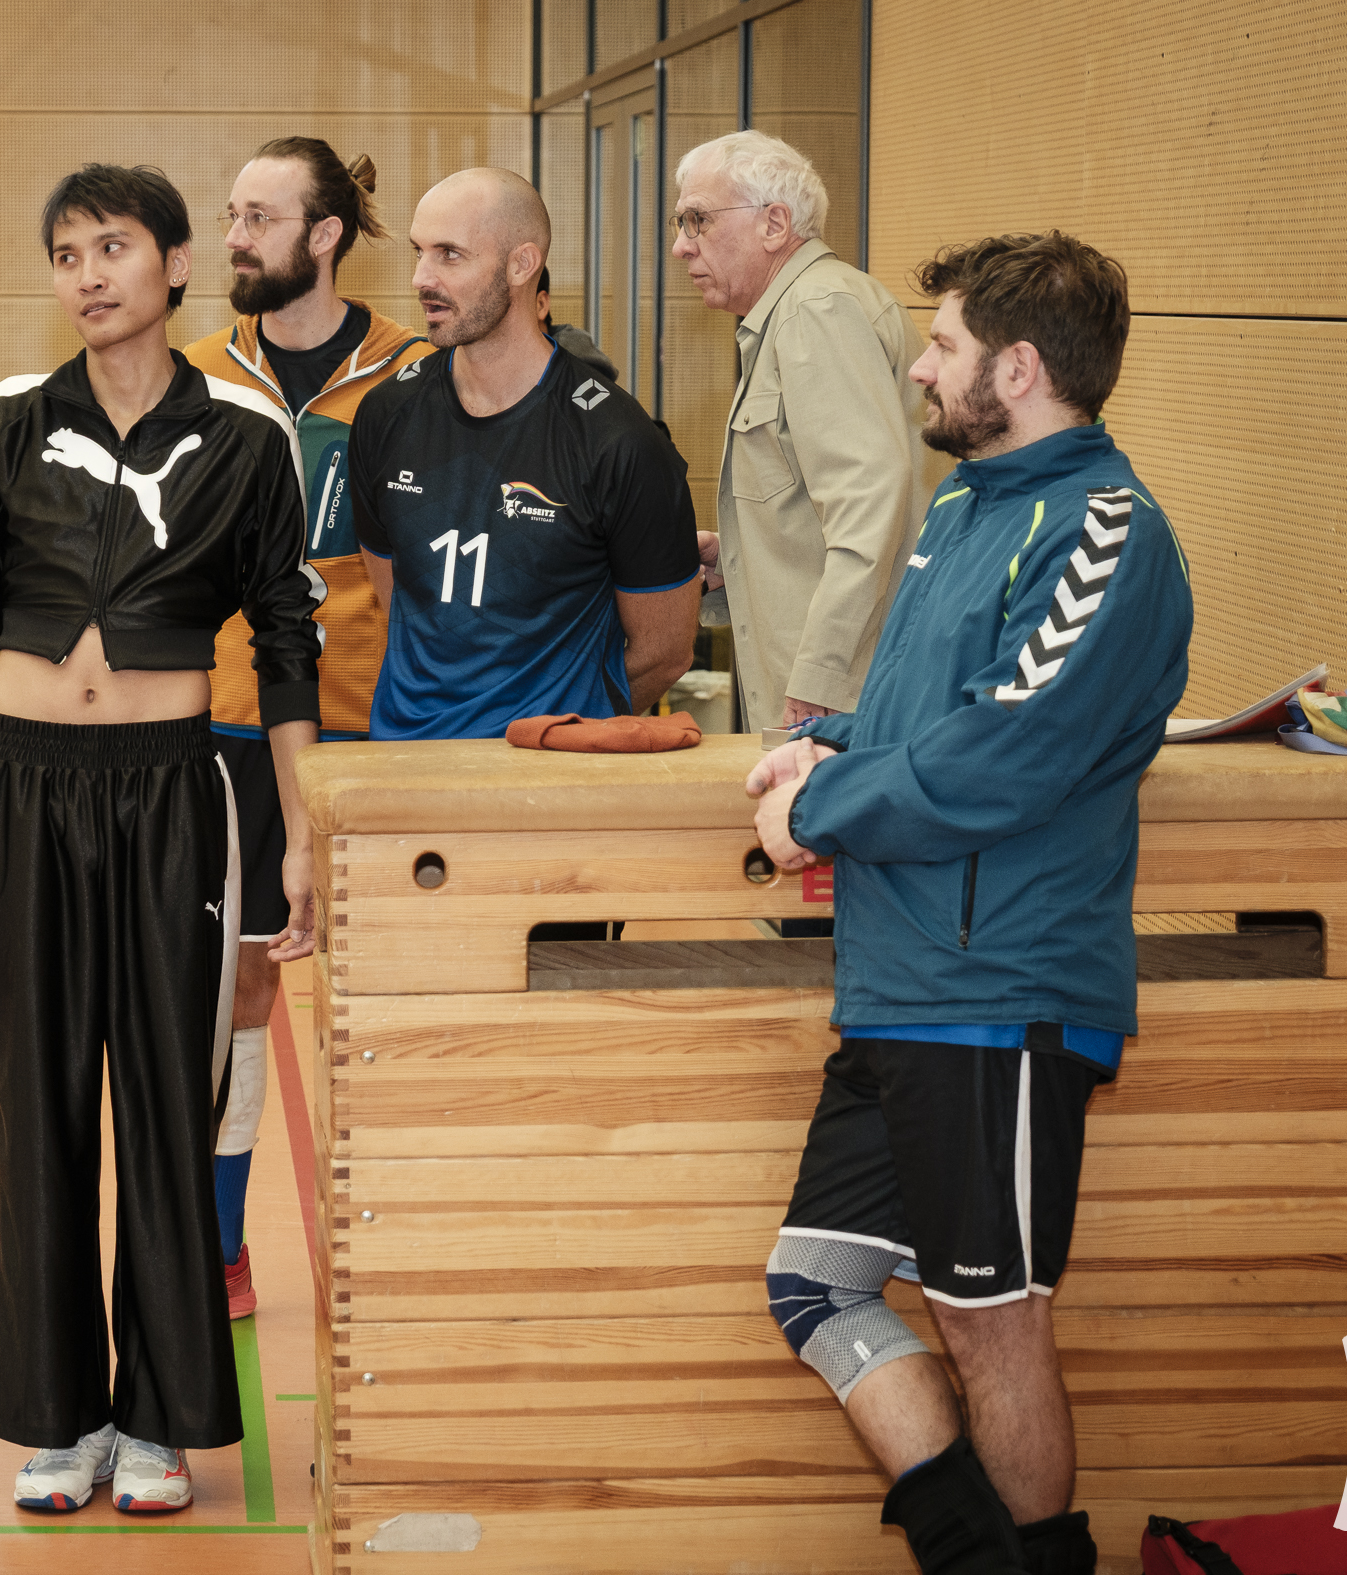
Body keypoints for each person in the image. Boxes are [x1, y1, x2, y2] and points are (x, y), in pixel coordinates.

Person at [745, 232, 1192, 1574]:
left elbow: (1004, 752)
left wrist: (816, 808)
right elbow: (921, 714)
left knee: (990, 1320)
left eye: (940, 346)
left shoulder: (1105, 530)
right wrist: (823, 747)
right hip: (901, 980)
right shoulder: (962, 508)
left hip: (996, 993)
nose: (919, 369)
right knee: (816, 1284)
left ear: (1018, 367)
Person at [0, 163, 322, 1518]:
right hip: (21, 789)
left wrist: (300, 834)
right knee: (37, 1110)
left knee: (164, 1103)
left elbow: (287, 640)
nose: (88, 274)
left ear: (176, 263)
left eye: (114, 246)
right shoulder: (2, 427)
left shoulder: (248, 438)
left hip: (172, 794)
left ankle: (157, 1419)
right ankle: (60, 1418)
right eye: (66, 253)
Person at [182, 138, 430, 1324]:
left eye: (259, 218)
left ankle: (408, 1247)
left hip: (379, 729)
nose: (234, 237)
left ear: (324, 235)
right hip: (231, 727)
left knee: (387, 998)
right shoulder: (194, 374)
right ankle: (220, 1245)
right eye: (230, 215)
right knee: (236, 991)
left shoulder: (418, 374)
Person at [347, 167, 700, 743]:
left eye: (449, 255)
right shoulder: (385, 415)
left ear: (521, 264)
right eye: (419, 252)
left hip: (543, 772)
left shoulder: (619, 442)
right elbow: (397, 603)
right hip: (403, 760)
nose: (420, 278)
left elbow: (665, 652)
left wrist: (556, 727)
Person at [671, 130, 922, 733]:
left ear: (775, 224)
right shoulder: (799, 310)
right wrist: (740, 557)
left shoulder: (817, 310)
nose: (681, 246)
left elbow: (869, 505)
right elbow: (822, 508)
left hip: (837, 705)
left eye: (697, 220)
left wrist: (822, 676)